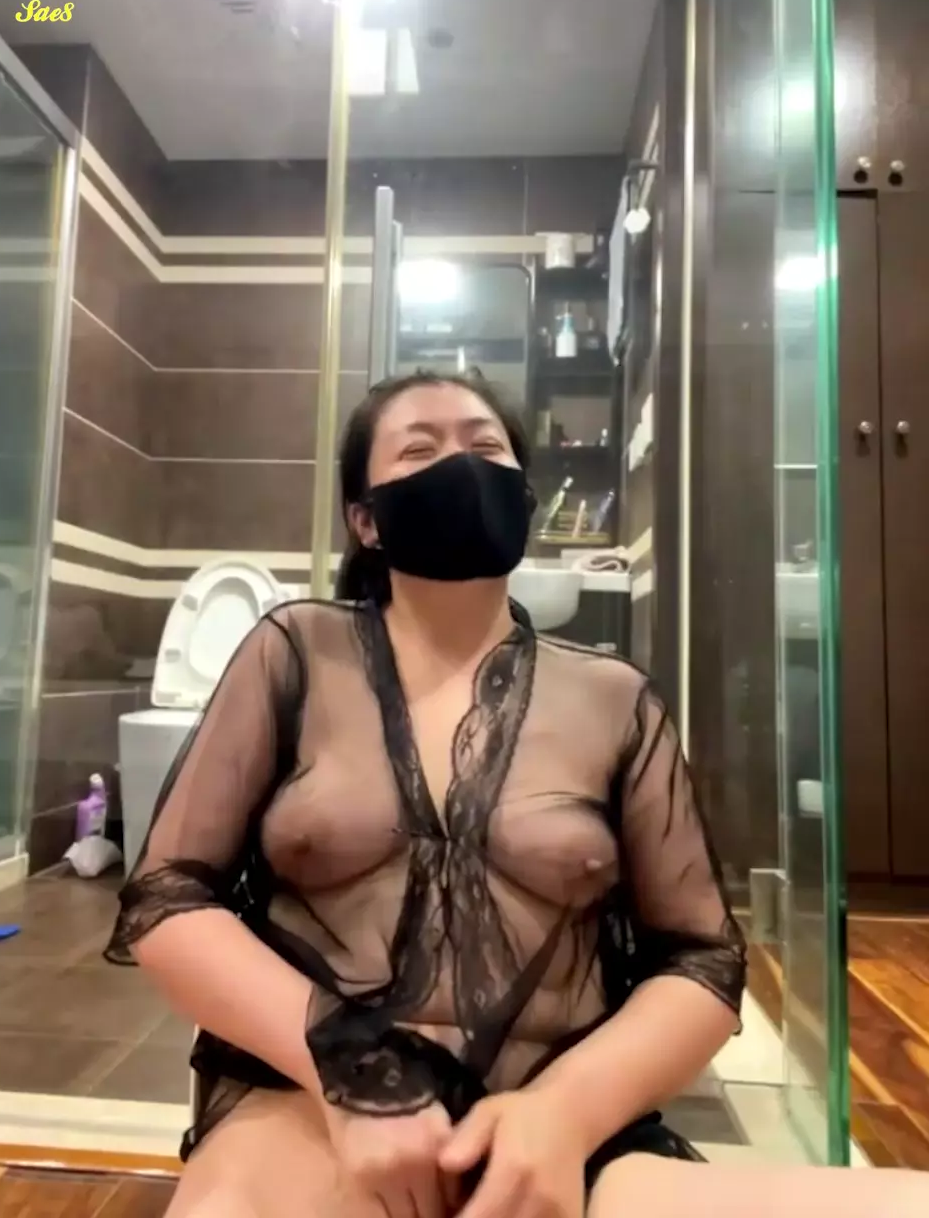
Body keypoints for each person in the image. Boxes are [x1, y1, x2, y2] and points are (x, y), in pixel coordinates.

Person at [107, 372, 929, 1218]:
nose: (460, 464)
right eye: (420, 449)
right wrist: (352, 1070)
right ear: (365, 519)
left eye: (485, 445)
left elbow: (702, 960)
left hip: (562, 1135)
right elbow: (168, 897)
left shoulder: (614, 699)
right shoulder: (295, 651)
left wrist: (565, 1114)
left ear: (524, 497)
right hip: (309, 1110)